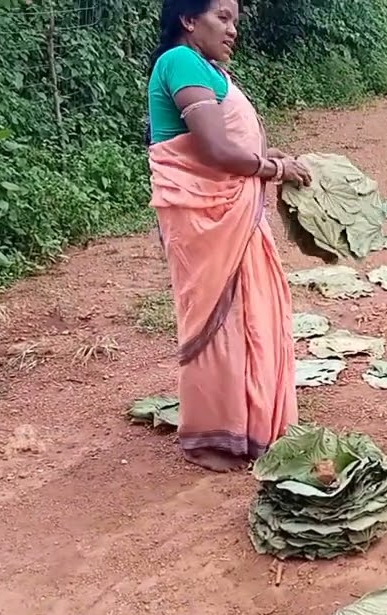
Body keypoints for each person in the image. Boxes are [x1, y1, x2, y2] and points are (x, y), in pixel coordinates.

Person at [146, 0, 311, 472]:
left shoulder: (206, 68)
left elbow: (231, 145)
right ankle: (216, 435)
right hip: (207, 220)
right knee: (221, 320)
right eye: (222, 16)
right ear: (188, 19)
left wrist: (265, 155)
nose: (232, 28)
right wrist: (273, 167)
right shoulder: (178, 61)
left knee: (251, 313)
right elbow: (216, 150)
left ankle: (253, 422)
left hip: (234, 213)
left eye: (235, 19)